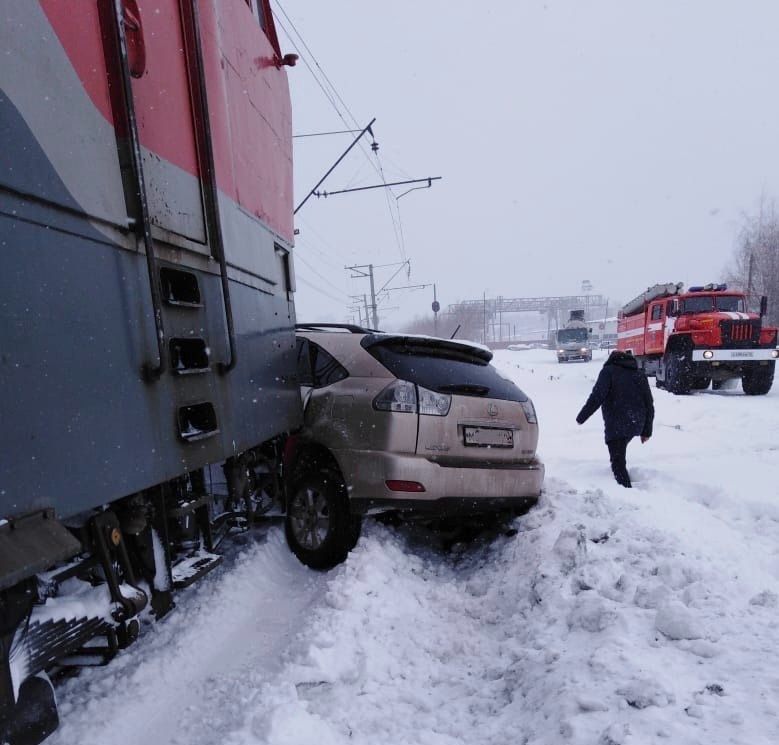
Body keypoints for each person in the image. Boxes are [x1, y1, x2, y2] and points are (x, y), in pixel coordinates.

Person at [575, 350, 654, 488]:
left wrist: (581, 417)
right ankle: (625, 487)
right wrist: (646, 431)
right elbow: (649, 403)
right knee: (619, 456)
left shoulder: (608, 371)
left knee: (617, 462)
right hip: (636, 422)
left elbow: (597, 396)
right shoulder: (639, 374)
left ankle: (626, 492)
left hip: (617, 424)